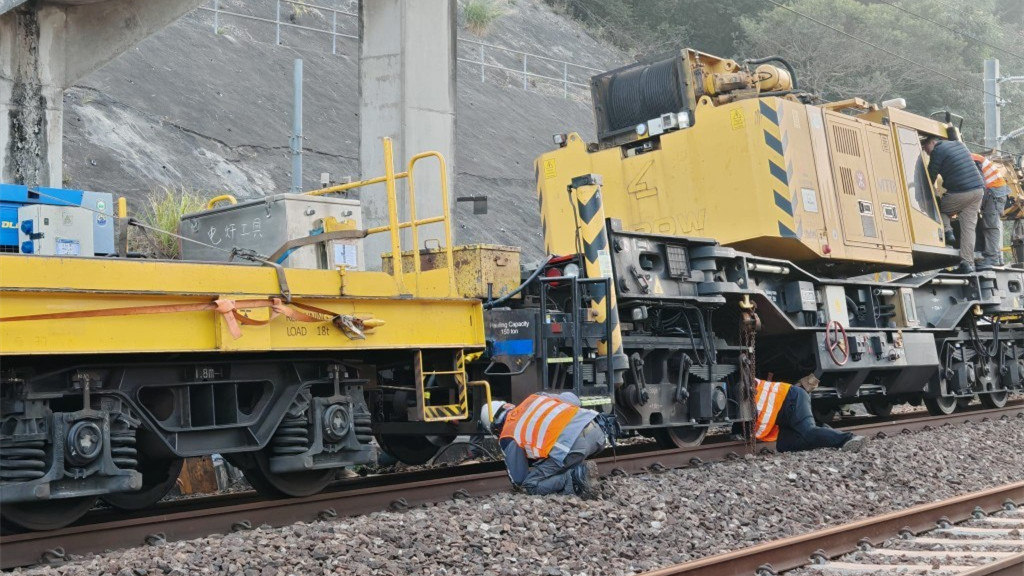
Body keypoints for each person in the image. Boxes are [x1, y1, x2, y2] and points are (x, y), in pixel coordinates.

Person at [480, 391, 606, 498]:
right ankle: (577, 469)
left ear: (495, 428)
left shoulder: (507, 434)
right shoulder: (535, 398)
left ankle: (575, 477)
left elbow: (518, 479)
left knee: (529, 485)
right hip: (597, 433)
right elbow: (574, 400)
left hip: (573, 446)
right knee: (554, 460)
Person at [750, 376, 865, 453]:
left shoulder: (745, 385)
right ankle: (824, 432)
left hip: (791, 398)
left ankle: (849, 438)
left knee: (808, 431)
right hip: (783, 415)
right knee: (784, 446)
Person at [922, 136, 985, 274]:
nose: (926, 152)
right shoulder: (959, 144)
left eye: (926, 149)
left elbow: (930, 175)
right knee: (968, 228)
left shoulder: (938, 151)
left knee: (939, 208)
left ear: (933, 143)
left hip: (963, 192)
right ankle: (967, 263)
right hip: (978, 191)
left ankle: (947, 231)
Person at [971, 153, 1011, 270]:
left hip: (994, 192)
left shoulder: (971, 160)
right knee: (988, 225)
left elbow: (980, 183)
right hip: (994, 191)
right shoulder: (971, 157)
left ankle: (992, 258)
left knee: (991, 226)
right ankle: (996, 258)